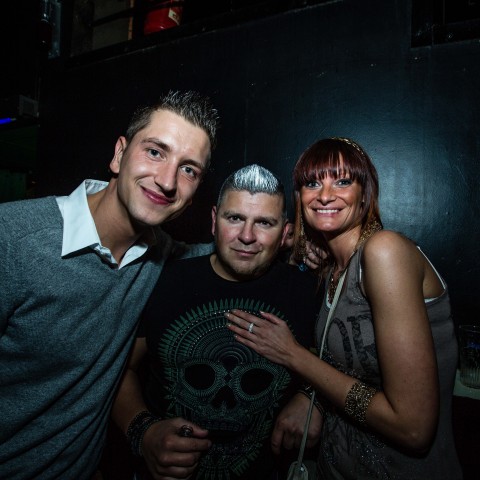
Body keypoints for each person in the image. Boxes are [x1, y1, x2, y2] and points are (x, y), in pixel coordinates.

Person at [0, 90, 219, 480]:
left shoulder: (161, 257)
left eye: (189, 170)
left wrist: (302, 244)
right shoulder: (12, 240)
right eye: (155, 152)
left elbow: (235, 252)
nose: (167, 180)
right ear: (119, 155)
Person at [227, 138, 462, 479]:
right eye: (312, 183)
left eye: (342, 181)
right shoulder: (331, 269)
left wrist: (293, 355)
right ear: (299, 197)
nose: (324, 195)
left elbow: (413, 428)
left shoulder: (385, 252)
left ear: (364, 193)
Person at [111, 164, 322, 480]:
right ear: (214, 220)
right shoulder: (164, 281)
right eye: (234, 218)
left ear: (285, 233)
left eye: (264, 222)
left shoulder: (308, 292)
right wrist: (144, 432)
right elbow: (118, 370)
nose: (246, 236)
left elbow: (346, 365)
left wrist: (312, 399)